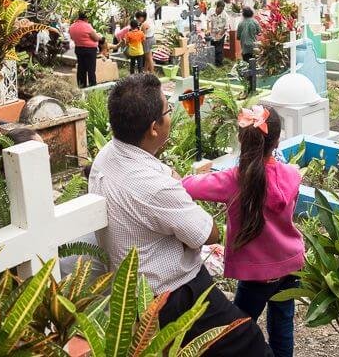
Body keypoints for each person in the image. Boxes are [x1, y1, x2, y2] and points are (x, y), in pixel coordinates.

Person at [89, 74, 272, 356]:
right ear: (153, 128)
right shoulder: (156, 189)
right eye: (168, 110)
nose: (170, 115)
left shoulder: (107, 155)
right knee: (249, 342)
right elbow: (209, 233)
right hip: (174, 293)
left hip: (133, 292)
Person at [181, 106, 303, 357]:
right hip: (289, 267)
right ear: (277, 140)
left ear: (241, 139)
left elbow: (188, 187)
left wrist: (180, 176)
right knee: (282, 325)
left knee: (238, 329)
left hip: (255, 274)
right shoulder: (291, 175)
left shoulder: (233, 180)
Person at [69, 12, 101, 88]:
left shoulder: (72, 26)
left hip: (79, 49)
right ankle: (92, 87)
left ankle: (81, 86)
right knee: (91, 70)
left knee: (81, 69)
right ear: (86, 18)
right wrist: (99, 36)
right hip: (90, 50)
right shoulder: (87, 26)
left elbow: (72, 37)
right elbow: (96, 38)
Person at [208, 0, 228, 66]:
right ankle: (212, 63)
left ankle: (219, 64)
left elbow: (225, 27)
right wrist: (208, 29)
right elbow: (208, 21)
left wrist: (219, 35)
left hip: (221, 33)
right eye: (220, 9)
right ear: (217, 7)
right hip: (212, 33)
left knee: (219, 49)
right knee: (212, 48)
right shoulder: (211, 11)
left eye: (222, 9)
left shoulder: (225, 15)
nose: (221, 10)